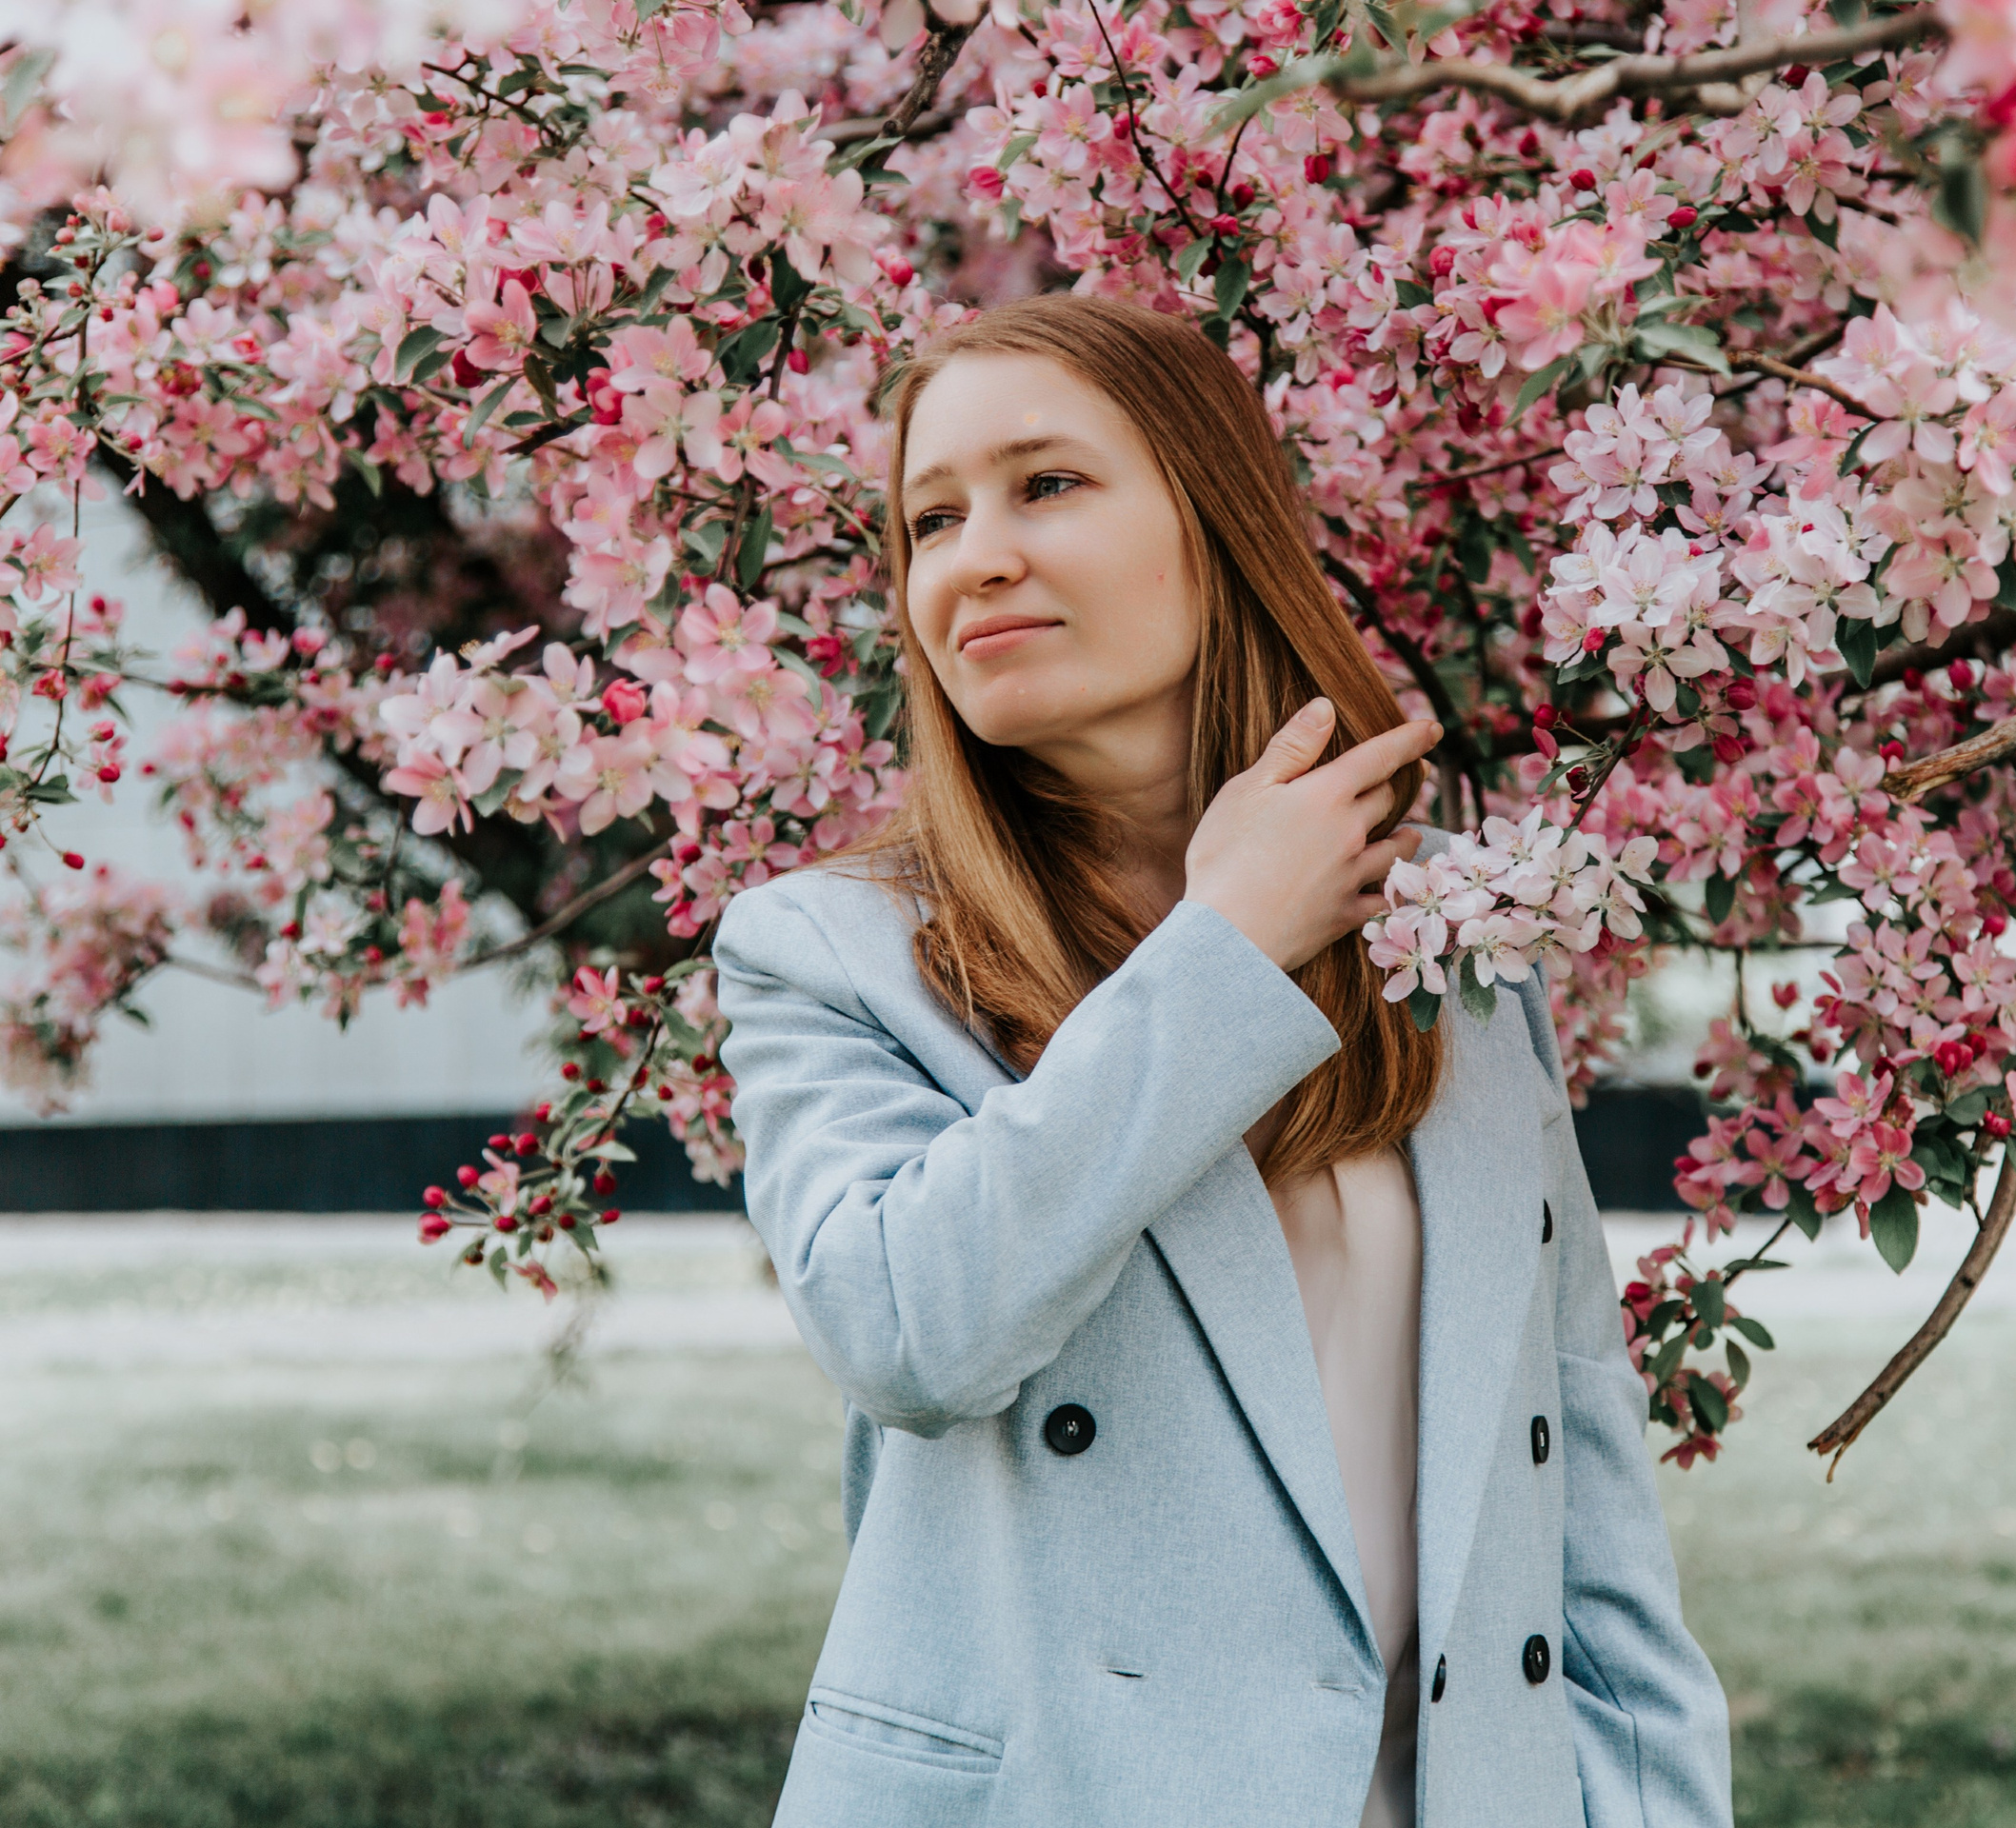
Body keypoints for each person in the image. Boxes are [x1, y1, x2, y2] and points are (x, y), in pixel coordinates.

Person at [712, 292, 1730, 1828]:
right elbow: (908, 1334)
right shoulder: (829, 953)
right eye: (931, 518)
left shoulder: (1447, 929)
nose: (973, 555)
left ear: (1218, 519)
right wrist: (1223, 946)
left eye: (1047, 484)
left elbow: (1576, 1478)